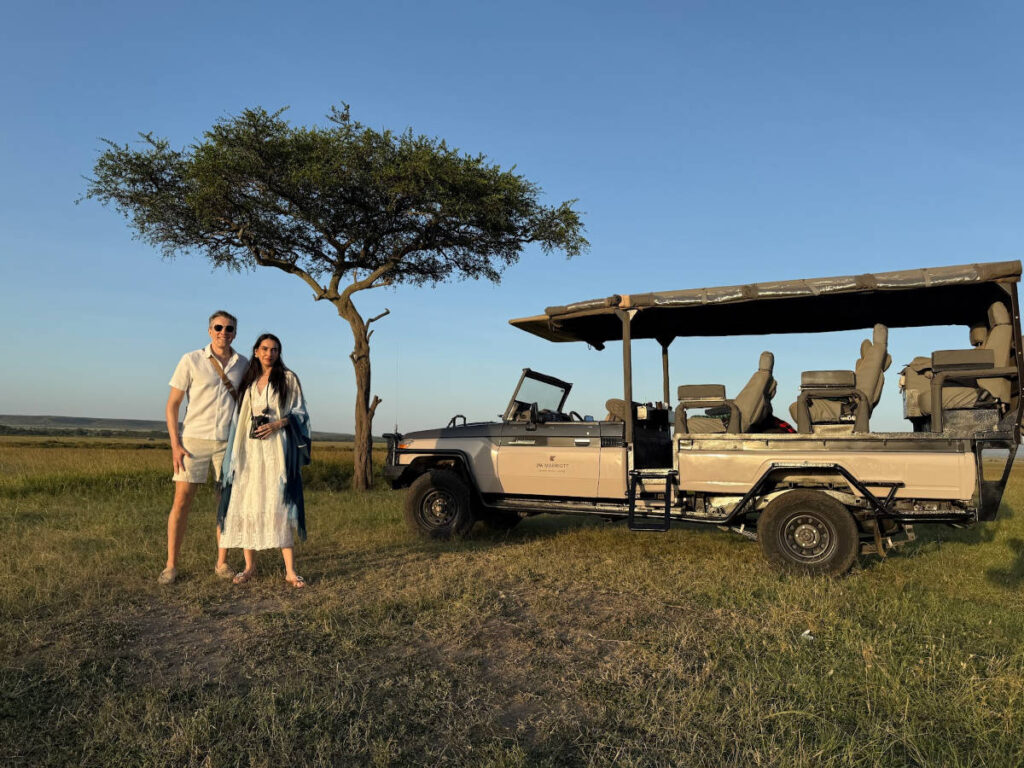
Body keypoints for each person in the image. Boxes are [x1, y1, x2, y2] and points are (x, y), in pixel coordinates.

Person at [160, 311, 248, 585]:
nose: (224, 332)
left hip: (228, 442)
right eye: (218, 327)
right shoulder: (191, 360)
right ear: (209, 331)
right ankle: (171, 565)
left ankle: (222, 563)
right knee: (182, 502)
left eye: (229, 328)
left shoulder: (243, 363)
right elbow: (173, 404)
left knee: (226, 504)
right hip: (193, 441)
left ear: (235, 333)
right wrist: (175, 444)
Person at [218, 333, 311, 588]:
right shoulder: (249, 381)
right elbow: (240, 418)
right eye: (265, 349)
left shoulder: (288, 379)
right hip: (250, 450)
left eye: (275, 349)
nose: (270, 353)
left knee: (279, 504)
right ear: (256, 351)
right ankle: (249, 566)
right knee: (248, 502)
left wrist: (278, 424)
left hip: (276, 450)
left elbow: (300, 411)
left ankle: (290, 571)